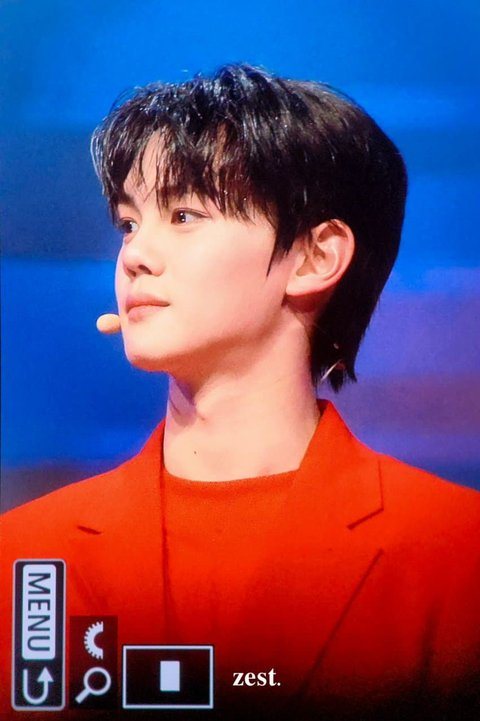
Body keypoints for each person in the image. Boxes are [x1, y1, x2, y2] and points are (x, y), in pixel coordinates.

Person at [1, 64, 479, 720]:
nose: (134, 255)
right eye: (129, 223)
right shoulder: (29, 555)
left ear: (315, 257)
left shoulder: (455, 552)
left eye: (184, 214)